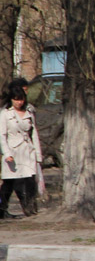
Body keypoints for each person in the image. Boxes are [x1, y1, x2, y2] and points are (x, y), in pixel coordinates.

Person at [1, 79, 42, 218]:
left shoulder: (29, 111)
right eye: (16, 99)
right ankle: (2, 208)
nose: (20, 102)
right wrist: (6, 153)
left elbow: (34, 133)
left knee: (29, 180)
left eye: (22, 99)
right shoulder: (5, 113)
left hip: (27, 150)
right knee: (10, 182)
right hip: (13, 150)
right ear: (11, 99)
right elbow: (2, 135)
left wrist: (38, 154)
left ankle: (30, 206)